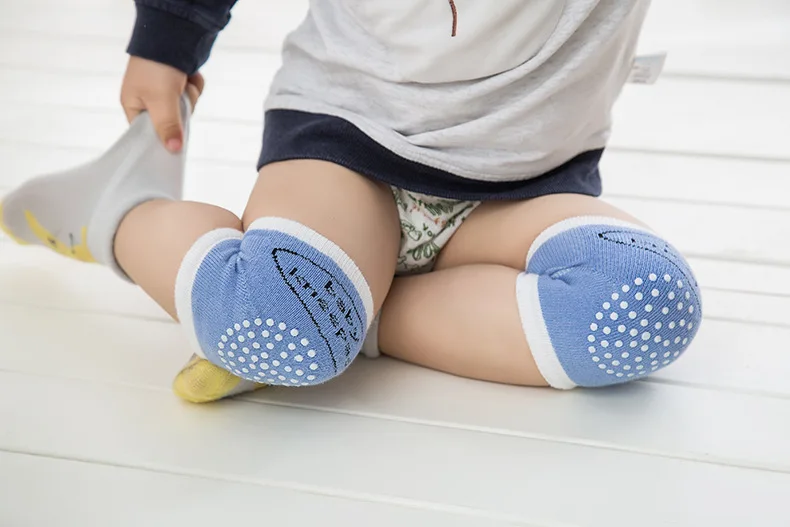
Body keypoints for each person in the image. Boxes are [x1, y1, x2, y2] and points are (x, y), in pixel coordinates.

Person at [0, 0, 703, 403]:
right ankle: (118, 213)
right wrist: (169, 38)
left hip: (524, 184)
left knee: (642, 304)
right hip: (350, 139)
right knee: (271, 320)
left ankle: (350, 305)